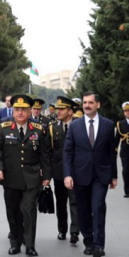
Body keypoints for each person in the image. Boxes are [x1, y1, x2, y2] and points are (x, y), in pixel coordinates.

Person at [0, 94, 50, 257]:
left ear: (29, 111)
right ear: (13, 110)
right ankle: (15, 243)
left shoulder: (38, 128)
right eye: (17, 109)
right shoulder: (4, 127)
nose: (20, 113)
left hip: (32, 177)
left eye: (24, 110)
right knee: (13, 211)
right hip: (10, 177)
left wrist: (46, 175)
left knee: (28, 209)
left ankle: (30, 245)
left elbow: (44, 154)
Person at [63, 92, 118, 257]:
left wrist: (114, 176)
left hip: (101, 175)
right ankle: (88, 241)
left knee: (98, 206)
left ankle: (99, 244)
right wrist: (67, 175)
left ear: (98, 105)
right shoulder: (74, 126)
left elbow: (111, 153)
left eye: (90, 102)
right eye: (85, 102)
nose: (87, 105)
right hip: (80, 174)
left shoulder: (109, 126)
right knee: (83, 210)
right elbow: (68, 152)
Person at [47, 96, 80, 243]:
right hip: (59, 171)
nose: (58, 111)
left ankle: (74, 231)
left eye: (62, 109)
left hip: (76, 170)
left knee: (75, 201)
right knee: (60, 202)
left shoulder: (79, 126)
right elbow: (48, 151)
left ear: (70, 111)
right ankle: (62, 229)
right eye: (58, 109)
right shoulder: (53, 127)